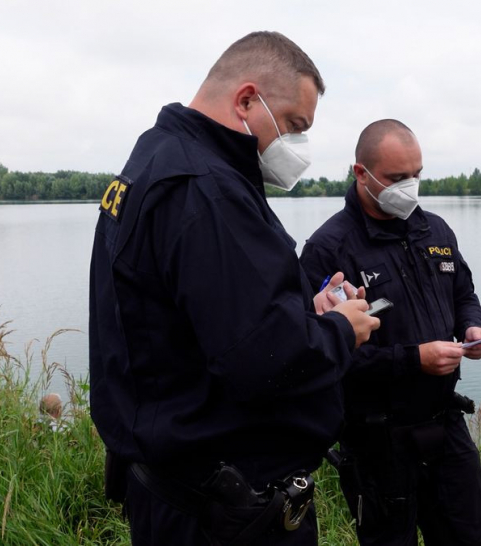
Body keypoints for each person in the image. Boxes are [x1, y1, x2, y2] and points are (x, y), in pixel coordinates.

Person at [89, 31, 379, 545]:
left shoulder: (157, 156)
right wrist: (339, 329)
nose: (298, 146)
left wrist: (299, 311)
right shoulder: (208, 188)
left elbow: (199, 318)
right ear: (247, 100)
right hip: (221, 511)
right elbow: (263, 361)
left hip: (176, 489)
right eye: (294, 125)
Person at [299, 119, 481, 545]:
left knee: (472, 537)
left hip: (445, 424)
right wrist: (413, 359)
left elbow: (463, 292)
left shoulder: (436, 231)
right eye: (396, 178)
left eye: (416, 176)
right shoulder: (328, 249)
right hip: (376, 439)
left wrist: (472, 325)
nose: (409, 187)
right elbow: (321, 353)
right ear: (361, 174)